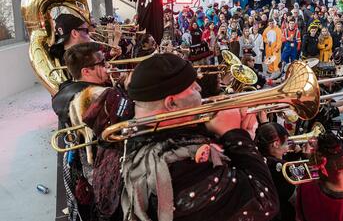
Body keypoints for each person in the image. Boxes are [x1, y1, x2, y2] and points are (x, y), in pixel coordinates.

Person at [121, 54, 278, 221]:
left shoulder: (142, 129)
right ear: (172, 104)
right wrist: (236, 136)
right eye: (192, 86)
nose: (199, 88)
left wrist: (239, 135)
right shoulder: (177, 168)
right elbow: (264, 204)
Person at [51, 42, 127, 221]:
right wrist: (125, 87)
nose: (107, 66)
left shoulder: (66, 90)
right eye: (101, 63)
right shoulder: (96, 96)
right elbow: (126, 125)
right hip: (105, 172)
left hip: (84, 166)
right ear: (86, 71)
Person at [255, 123, 295, 221]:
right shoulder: (280, 168)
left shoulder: (256, 158)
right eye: (286, 143)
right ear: (276, 144)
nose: (287, 148)